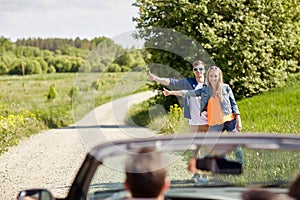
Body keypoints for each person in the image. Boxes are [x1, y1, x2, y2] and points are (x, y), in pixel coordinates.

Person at [162, 66, 244, 164]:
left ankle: (241, 163)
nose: (213, 78)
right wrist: (171, 92)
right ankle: (223, 166)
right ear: (208, 77)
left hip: (229, 120)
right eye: (211, 76)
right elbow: (188, 92)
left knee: (235, 144)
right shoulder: (205, 90)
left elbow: (234, 104)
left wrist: (238, 119)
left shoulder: (226, 88)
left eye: (215, 76)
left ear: (219, 76)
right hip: (215, 123)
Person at [148, 60, 209, 133]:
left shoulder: (209, 84)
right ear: (193, 71)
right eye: (195, 69)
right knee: (195, 143)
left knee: (209, 143)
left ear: (204, 70)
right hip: (194, 122)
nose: (198, 71)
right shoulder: (189, 82)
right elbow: (172, 82)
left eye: (200, 69)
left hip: (208, 120)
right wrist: (155, 78)